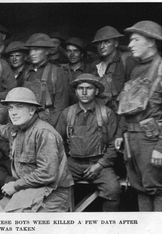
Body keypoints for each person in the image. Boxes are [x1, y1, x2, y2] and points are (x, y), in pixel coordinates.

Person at [115, 21, 162, 211]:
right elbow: (126, 107)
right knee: (140, 188)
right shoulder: (135, 69)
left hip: (152, 141)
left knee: (157, 190)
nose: (131, 44)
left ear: (151, 41)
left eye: (136, 39)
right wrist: (120, 134)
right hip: (132, 141)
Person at [56, 73, 121, 211]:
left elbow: (113, 145)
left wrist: (99, 165)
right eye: (80, 88)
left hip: (98, 163)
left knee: (113, 189)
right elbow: (57, 142)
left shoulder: (106, 114)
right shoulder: (67, 113)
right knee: (53, 185)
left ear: (96, 91)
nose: (84, 92)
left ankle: (108, 227)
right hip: (72, 163)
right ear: (75, 91)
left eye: (89, 88)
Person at [22, 33, 69, 127]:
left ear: (47, 51)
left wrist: (48, 128)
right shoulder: (27, 72)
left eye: (36, 49)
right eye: (30, 50)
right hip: (27, 121)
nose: (32, 54)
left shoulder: (58, 73)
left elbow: (60, 107)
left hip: (48, 122)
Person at [89, 26, 138, 112]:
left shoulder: (126, 60)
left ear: (115, 44)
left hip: (121, 110)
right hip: (100, 110)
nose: (102, 46)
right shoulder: (95, 64)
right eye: (99, 43)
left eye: (107, 42)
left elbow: (134, 91)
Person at [61, 37, 91, 105]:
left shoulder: (90, 70)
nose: (72, 55)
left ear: (82, 54)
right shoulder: (60, 69)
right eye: (69, 51)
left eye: (76, 51)